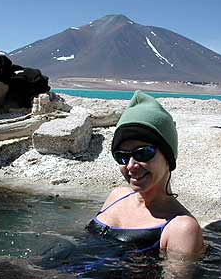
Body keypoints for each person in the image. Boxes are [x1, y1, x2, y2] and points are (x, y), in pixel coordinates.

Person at [87, 90, 204, 260]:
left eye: (143, 153)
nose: (131, 166)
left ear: (168, 156)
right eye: (122, 156)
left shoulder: (181, 228)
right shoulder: (117, 196)